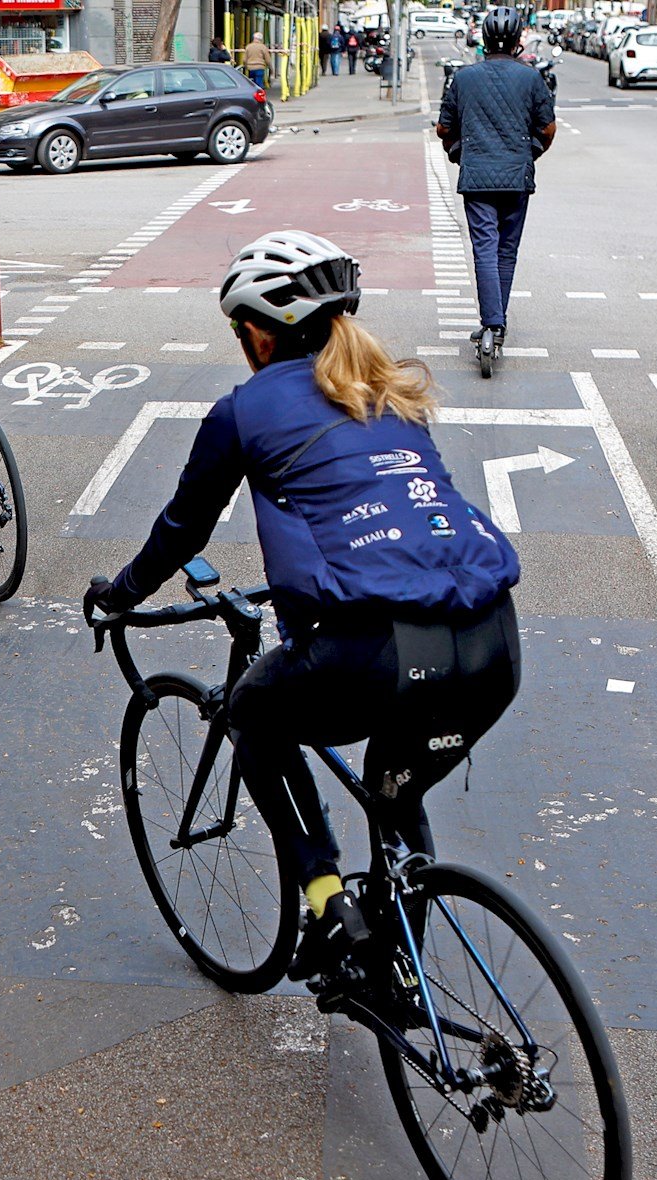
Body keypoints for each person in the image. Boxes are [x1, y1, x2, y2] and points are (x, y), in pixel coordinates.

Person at [84, 232, 522, 990]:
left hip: (373, 648)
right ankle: (393, 963)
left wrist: (118, 596)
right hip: (491, 644)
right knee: (396, 790)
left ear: (257, 332)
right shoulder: (389, 394)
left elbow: (182, 529)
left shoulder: (244, 410)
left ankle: (325, 903)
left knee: (254, 714)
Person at [437, 6, 555, 368]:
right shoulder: (531, 78)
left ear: (483, 40)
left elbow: (444, 128)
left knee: (485, 249)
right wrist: (531, 152)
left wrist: (459, 145)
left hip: (476, 177)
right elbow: (547, 129)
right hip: (516, 177)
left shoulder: (465, 78)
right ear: (519, 40)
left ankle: (491, 324)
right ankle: (497, 324)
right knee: (507, 251)